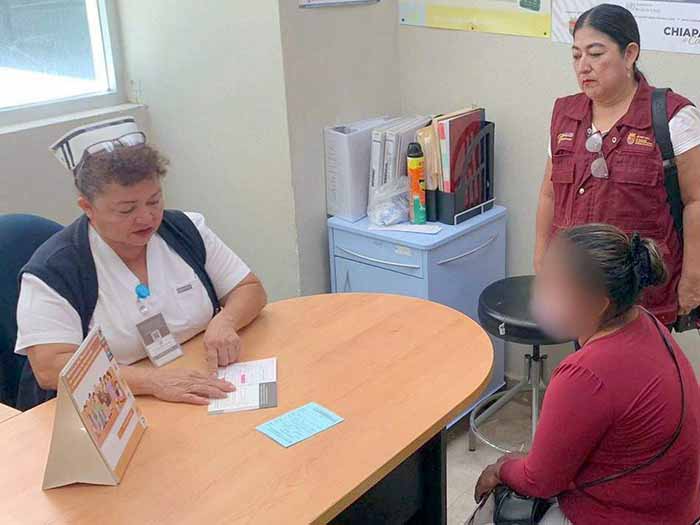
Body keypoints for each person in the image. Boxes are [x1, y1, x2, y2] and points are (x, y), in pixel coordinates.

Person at [15, 117, 267, 407]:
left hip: (192, 375)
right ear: (87, 207)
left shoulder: (185, 230)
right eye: (127, 209)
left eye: (154, 201)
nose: (146, 217)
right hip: (107, 409)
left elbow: (249, 288)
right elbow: (50, 368)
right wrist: (153, 382)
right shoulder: (54, 270)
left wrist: (225, 322)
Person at [473, 224, 700, 524]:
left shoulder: (585, 375)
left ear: (597, 305)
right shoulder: (646, 323)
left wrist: (499, 469)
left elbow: (539, 481)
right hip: (674, 508)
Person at [534, 4, 700, 327]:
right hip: (578, 289)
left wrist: (693, 279)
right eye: (576, 55)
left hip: (644, 295)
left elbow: (696, 201)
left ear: (629, 54)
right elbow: (549, 195)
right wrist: (542, 261)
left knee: (638, 359)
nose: (583, 66)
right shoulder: (564, 115)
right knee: (586, 358)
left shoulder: (672, 118)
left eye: (596, 54)